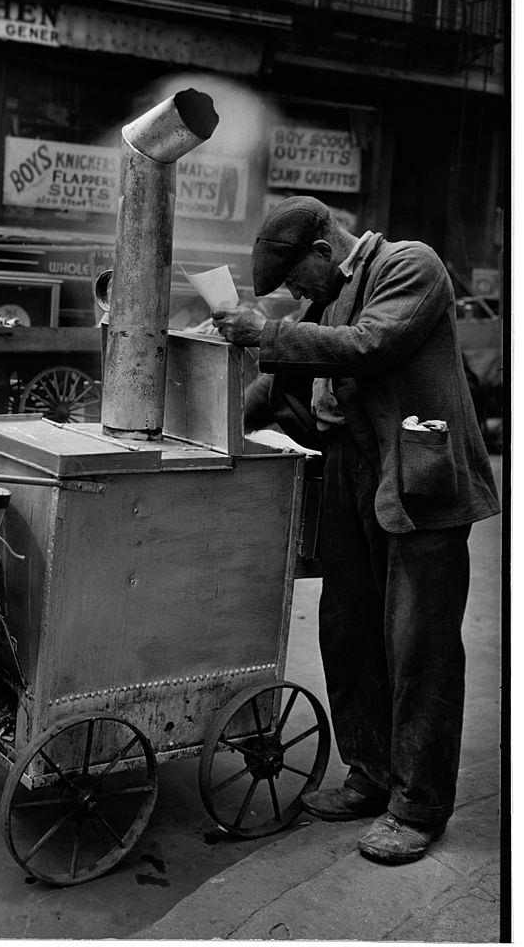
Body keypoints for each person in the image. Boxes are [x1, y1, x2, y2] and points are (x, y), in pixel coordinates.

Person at [212, 196, 500, 865]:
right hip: (348, 479)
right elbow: (282, 387)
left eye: (296, 281)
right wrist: (212, 412)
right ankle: (370, 774)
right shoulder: (328, 301)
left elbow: (373, 345)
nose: (296, 296)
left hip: (417, 478)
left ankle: (418, 805)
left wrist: (266, 332)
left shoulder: (411, 267)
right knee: (347, 633)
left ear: (322, 249)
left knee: (417, 645)